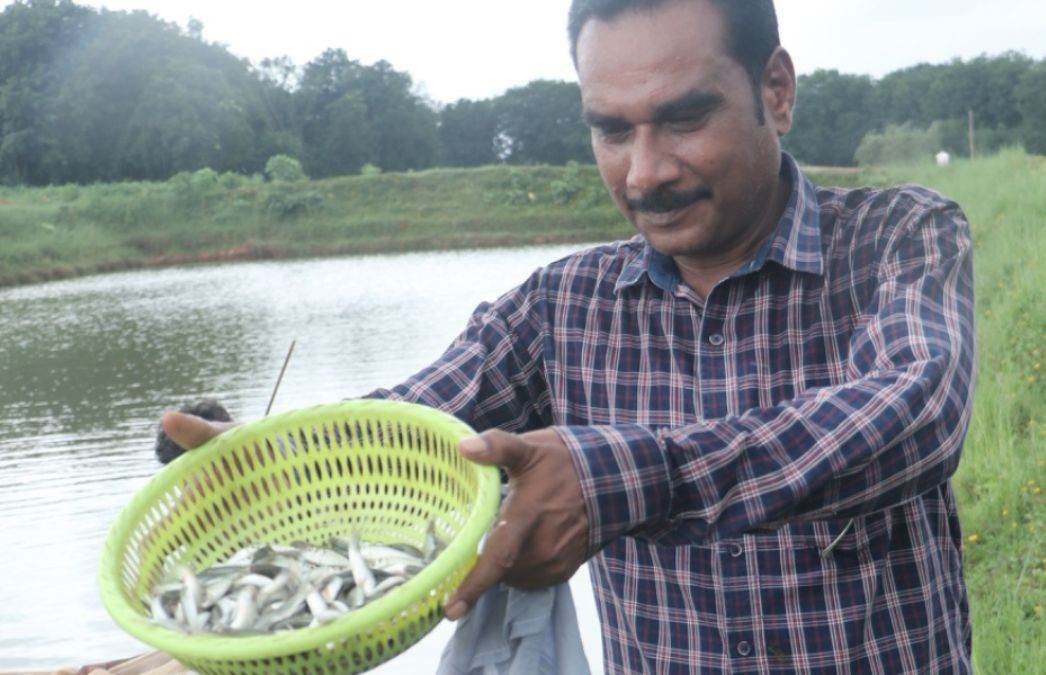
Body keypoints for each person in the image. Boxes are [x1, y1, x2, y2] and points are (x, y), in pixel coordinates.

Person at [162, 0, 977, 671]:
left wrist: (631, 479)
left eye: (684, 118)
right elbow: (409, 435)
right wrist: (265, 459)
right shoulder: (561, 306)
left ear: (776, 90)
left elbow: (917, 412)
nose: (645, 171)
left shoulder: (898, 235)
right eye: (612, 130)